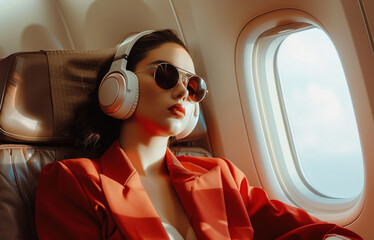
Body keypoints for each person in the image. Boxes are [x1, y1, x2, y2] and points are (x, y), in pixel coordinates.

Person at [35, 29, 362, 240]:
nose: (182, 90)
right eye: (166, 74)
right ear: (119, 85)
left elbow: (307, 231)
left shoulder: (222, 175)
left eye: (194, 86)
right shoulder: (73, 181)